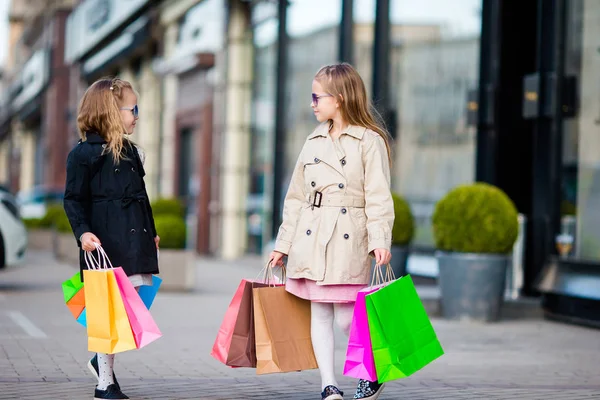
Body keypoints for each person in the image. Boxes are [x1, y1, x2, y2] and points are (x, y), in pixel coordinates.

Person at [269, 63, 395, 400]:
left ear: (338, 98)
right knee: (319, 312)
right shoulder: (313, 140)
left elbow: (379, 195)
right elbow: (295, 197)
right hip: (310, 235)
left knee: (345, 318)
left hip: (347, 236)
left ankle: (373, 369)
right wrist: (283, 244)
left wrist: (380, 239)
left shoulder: (369, 140)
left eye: (316, 97)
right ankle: (329, 384)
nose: (311, 103)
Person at [63, 77, 160, 400]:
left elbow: (141, 197)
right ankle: (105, 382)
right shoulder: (83, 155)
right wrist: (83, 233)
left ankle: (100, 361)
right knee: (108, 313)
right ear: (110, 112)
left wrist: (152, 231)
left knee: (131, 308)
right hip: (103, 243)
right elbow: (73, 199)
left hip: (134, 240)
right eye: (134, 109)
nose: (137, 115)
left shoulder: (133, 152)